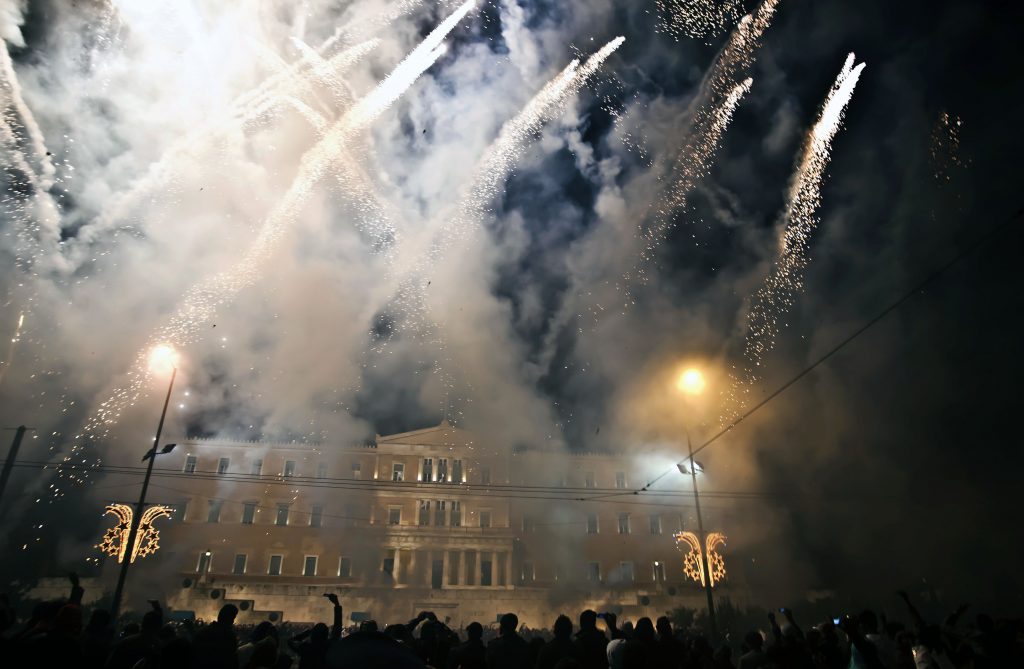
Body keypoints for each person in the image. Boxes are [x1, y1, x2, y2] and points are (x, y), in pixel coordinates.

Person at [193, 603, 240, 669]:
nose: (232, 621)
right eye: (233, 617)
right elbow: (231, 659)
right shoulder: (229, 636)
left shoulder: (204, 631)